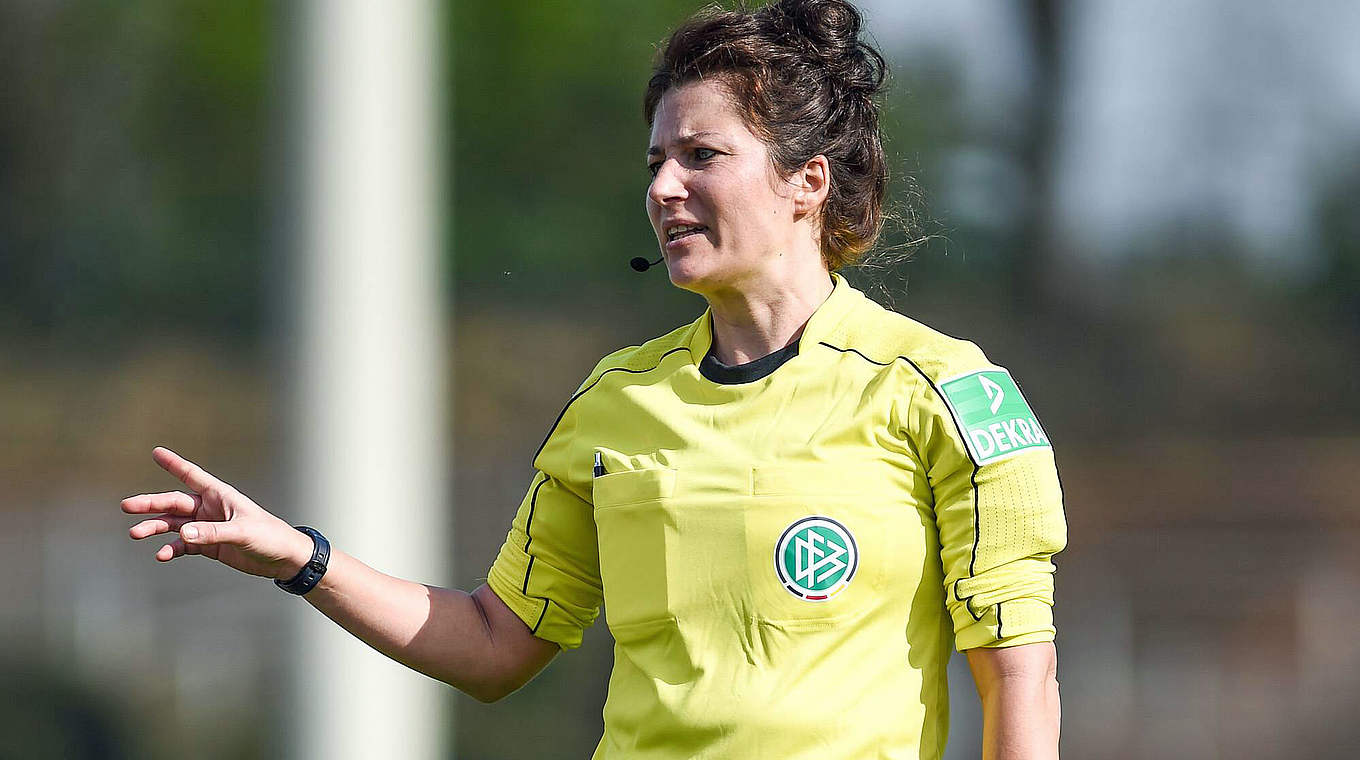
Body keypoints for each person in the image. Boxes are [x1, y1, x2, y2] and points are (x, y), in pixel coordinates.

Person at [121, 0, 1066, 757]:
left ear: (807, 181)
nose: (662, 188)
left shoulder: (943, 391)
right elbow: (497, 642)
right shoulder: (619, 399)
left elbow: (1016, 674)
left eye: (702, 157)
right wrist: (301, 557)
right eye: (656, 161)